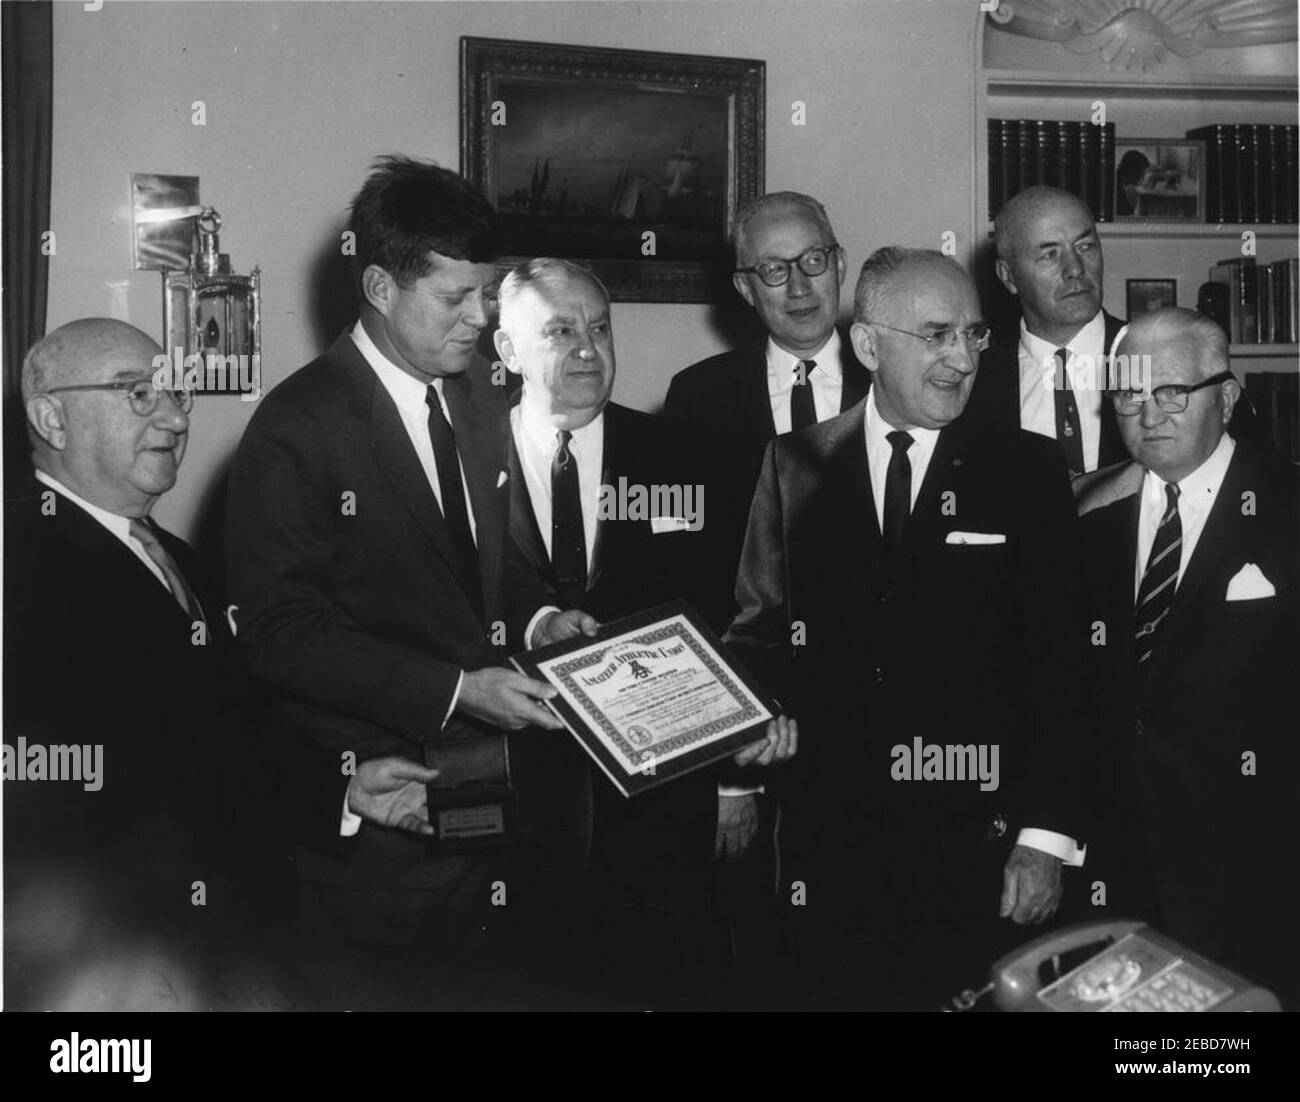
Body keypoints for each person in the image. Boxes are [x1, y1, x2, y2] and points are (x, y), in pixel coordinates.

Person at [224, 157, 596, 962]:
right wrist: (459, 690)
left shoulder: (475, 393)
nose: (477, 319)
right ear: (382, 290)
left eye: (485, 295)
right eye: (454, 298)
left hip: (488, 805)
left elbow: (485, 558)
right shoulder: (297, 425)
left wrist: (539, 613)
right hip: (376, 826)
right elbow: (278, 632)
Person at [725, 247, 1093, 1010]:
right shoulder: (795, 463)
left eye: (974, 334)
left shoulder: (1025, 470)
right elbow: (761, 630)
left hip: (979, 848)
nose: (962, 358)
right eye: (936, 335)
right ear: (868, 345)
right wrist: (753, 720)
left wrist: (1045, 839)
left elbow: (1065, 666)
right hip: (831, 850)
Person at [494, 257, 792, 1007]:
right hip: (509, 815)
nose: (587, 350)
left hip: (663, 814)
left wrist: (735, 777)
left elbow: (735, 617)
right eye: (560, 331)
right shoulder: (463, 465)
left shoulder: (677, 455)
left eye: (599, 328)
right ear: (504, 351)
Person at [2, 318, 279, 1007]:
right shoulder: (17, 560)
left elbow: (225, 732)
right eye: (137, 394)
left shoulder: (179, 560)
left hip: (221, 939)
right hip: (113, 958)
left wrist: (343, 792)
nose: (175, 416)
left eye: (177, 394)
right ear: (51, 419)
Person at [1075, 308, 1297, 1005]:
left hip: (1261, 872)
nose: (1148, 413)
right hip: (1118, 872)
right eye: (1129, 394)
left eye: (1172, 391)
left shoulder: (1290, 506)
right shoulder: (1081, 510)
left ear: (1227, 398)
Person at [965, 185, 1127, 477]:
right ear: (1008, 276)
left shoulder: (1148, 355)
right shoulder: (974, 382)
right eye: (1050, 255)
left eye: (1085, 246)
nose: (1075, 269)